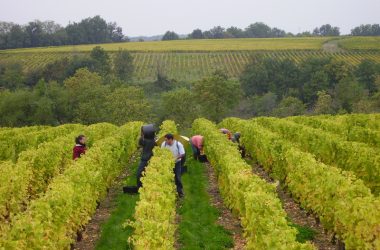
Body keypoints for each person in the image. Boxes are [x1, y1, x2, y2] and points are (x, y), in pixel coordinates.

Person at [161, 133, 185, 197]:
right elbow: (161, 153)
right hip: (167, 163)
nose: (165, 141)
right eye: (165, 140)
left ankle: (180, 191)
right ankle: (171, 191)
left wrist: (175, 158)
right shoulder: (164, 144)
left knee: (177, 177)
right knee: (169, 177)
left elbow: (182, 154)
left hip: (177, 163)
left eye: (166, 140)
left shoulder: (178, 144)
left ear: (171, 139)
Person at [136, 125, 156, 190]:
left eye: (143, 132)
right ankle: (146, 186)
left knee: (139, 173)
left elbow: (139, 144)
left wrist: (142, 135)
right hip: (152, 158)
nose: (142, 133)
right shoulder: (153, 141)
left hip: (145, 159)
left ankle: (140, 187)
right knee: (148, 173)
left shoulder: (143, 140)